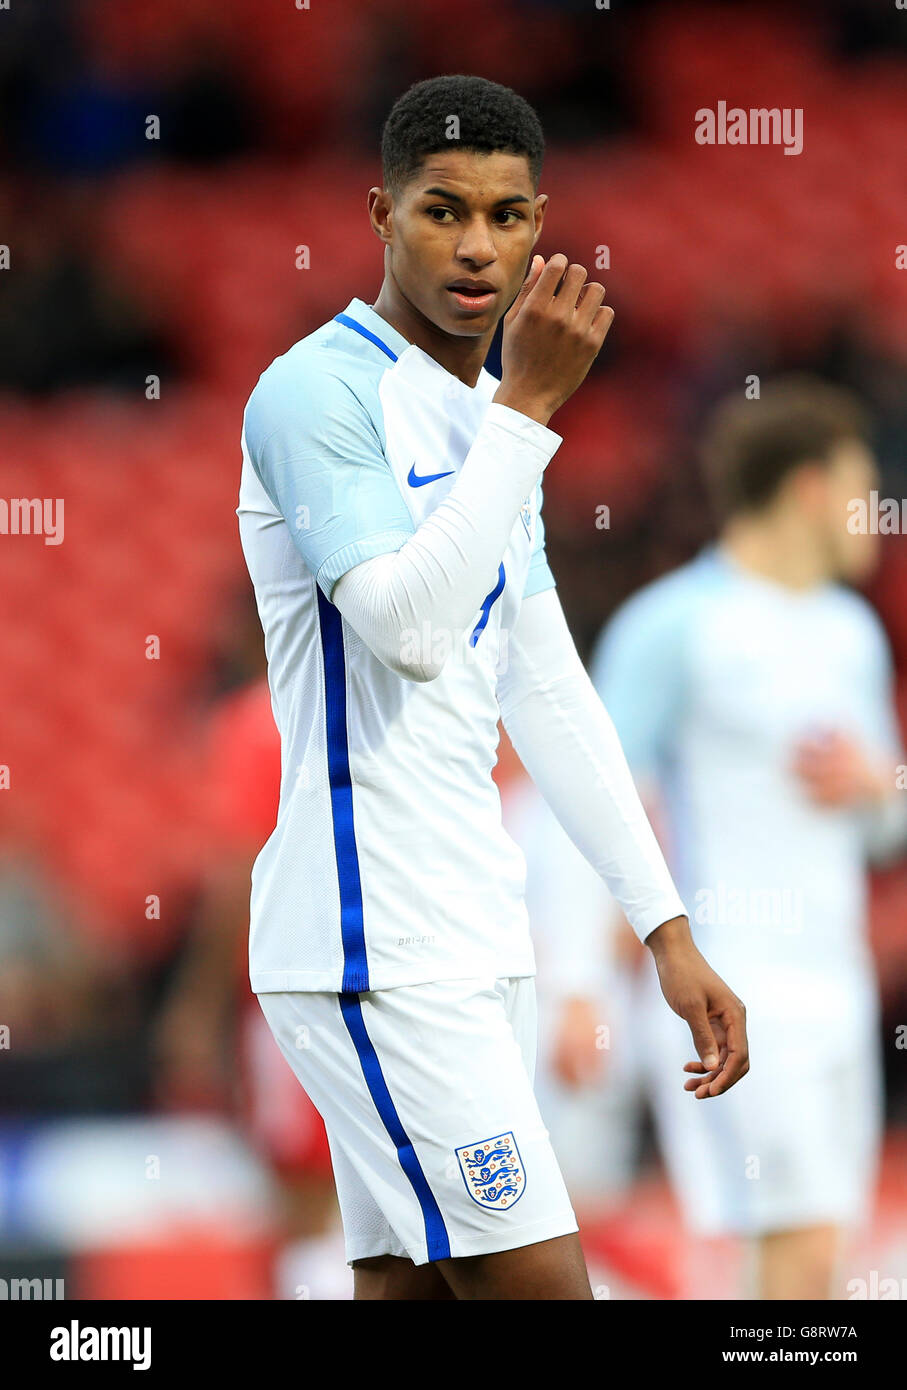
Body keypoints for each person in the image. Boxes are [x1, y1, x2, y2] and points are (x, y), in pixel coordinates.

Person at [236, 73, 748, 1301]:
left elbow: (549, 690)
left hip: (472, 930)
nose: (478, 246)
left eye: (509, 216)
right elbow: (406, 627)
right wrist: (527, 410)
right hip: (372, 940)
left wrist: (663, 930)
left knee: (410, 1289)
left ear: (539, 224)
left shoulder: (482, 418)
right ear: (379, 211)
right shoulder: (316, 394)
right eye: (441, 209)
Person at [589, 376, 907, 1299]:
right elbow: (591, 795)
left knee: (811, 1257)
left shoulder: (851, 632)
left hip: (835, 979)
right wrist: (584, 971)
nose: (873, 518)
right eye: (861, 491)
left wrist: (876, 783)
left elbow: (888, 819)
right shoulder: (676, 627)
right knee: (795, 1248)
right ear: (810, 490)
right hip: (733, 981)